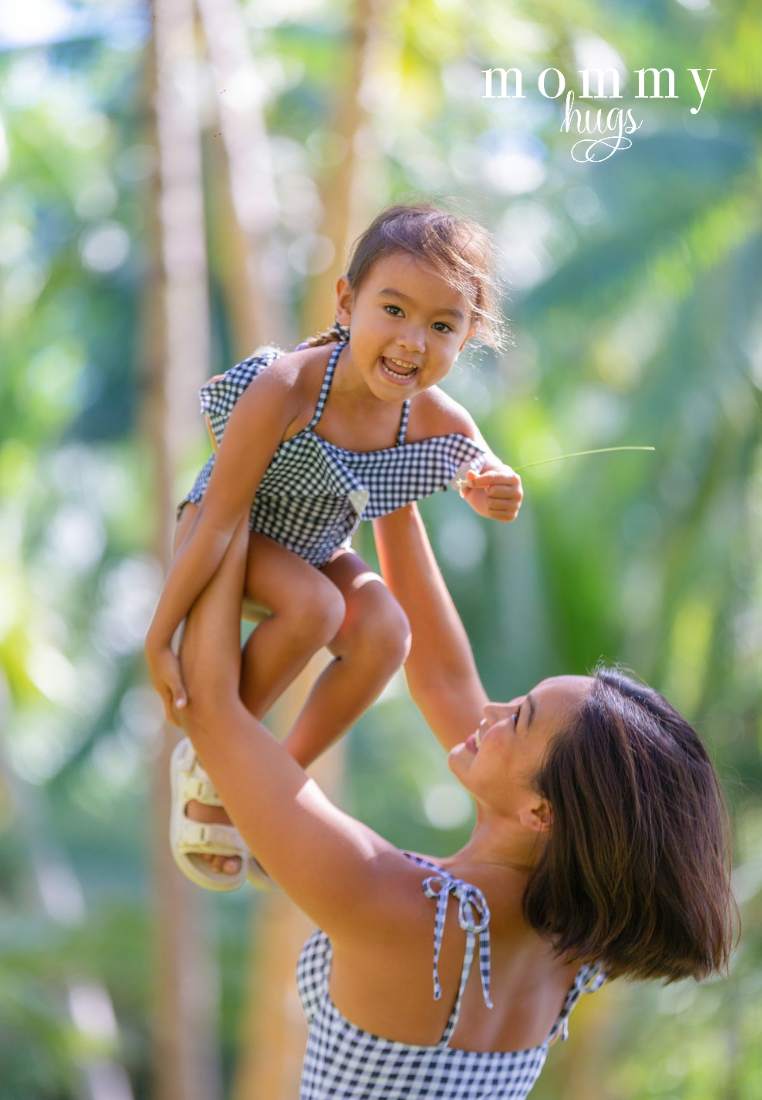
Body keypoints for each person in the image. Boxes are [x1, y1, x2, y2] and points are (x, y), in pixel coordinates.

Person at [169, 500, 735, 1100]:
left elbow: (208, 705)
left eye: (517, 719)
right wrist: (398, 473)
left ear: (541, 814)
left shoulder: (401, 909)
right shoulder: (572, 945)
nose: (490, 710)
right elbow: (441, 675)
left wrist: (213, 517)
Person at [144, 203, 524, 891]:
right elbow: (220, 518)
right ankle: (218, 747)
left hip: (313, 549)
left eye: (442, 325)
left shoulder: (435, 418)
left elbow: (480, 467)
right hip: (231, 534)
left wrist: (490, 486)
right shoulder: (289, 387)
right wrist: (159, 634)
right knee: (317, 607)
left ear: (464, 341)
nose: (413, 340)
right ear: (347, 303)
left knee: (385, 630)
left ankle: (267, 780)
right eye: (395, 310)